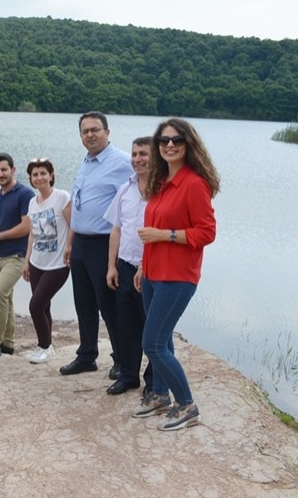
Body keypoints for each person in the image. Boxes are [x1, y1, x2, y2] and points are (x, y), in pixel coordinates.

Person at [132, 118, 219, 430]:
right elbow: (148, 234)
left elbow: (207, 232)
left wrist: (165, 235)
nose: (169, 145)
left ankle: (186, 404)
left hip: (179, 277)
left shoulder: (194, 184)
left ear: (188, 144)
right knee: (163, 339)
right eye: (164, 140)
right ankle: (159, 395)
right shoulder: (160, 182)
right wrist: (144, 266)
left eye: (177, 140)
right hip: (154, 273)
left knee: (152, 343)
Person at [60, 111, 132, 377]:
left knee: (109, 306)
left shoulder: (123, 163)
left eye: (95, 130)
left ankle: (122, 359)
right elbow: (78, 207)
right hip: (81, 243)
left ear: (107, 132)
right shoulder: (86, 162)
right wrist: (70, 243)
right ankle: (87, 355)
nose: (90, 135)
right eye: (85, 131)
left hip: (104, 244)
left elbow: (130, 208)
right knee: (84, 303)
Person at [103, 137, 154, 395]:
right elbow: (116, 228)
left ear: (155, 156)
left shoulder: (163, 191)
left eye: (143, 154)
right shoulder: (125, 188)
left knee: (152, 328)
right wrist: (111, 266)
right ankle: (128, 376)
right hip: (124, 266)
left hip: (152, 270)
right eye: (134, 154)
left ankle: (153, 381)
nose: (137, 159)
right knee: (127, 324)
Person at [0, 152, 35, 360]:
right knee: (6, 299)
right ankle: (8, 344)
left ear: (13, 169)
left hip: (17, 256)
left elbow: (27, 226)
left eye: (4, 169)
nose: (1, 174)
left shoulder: (25, 194)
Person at [21, 158, 71, 364]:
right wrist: (26, 261)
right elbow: (32, 234)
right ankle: (47, 346)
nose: (39, 177)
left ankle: (43, 346)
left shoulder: (61, 197)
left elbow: (73, 225)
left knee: (35, 305)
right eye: (35, 175)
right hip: (37, 262)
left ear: (51, 176)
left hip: (58, 264)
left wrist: (69, 247)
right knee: (44, 306)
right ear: (31, 179)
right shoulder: (33, 202)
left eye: (43, 173)